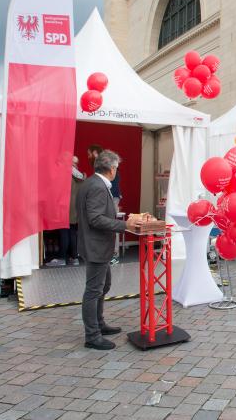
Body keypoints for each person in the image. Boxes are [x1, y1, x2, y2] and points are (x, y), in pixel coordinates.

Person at [77, 150, 142, 350]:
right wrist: (125, 226)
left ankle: (99, 324)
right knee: (94, 290)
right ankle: (92, 335)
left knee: (104, 286)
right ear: (112, 169)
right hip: (96, 245)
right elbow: (95, 218)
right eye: (117, 168)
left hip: (96, 245)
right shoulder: (97, 186)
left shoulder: (90, 182)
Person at [88, 144, 122, 211]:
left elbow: (114, 184)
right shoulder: (101, 168)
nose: (88, 157)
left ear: (95, 153)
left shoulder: (106, 167)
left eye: (89, 154)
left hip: (111, 197)